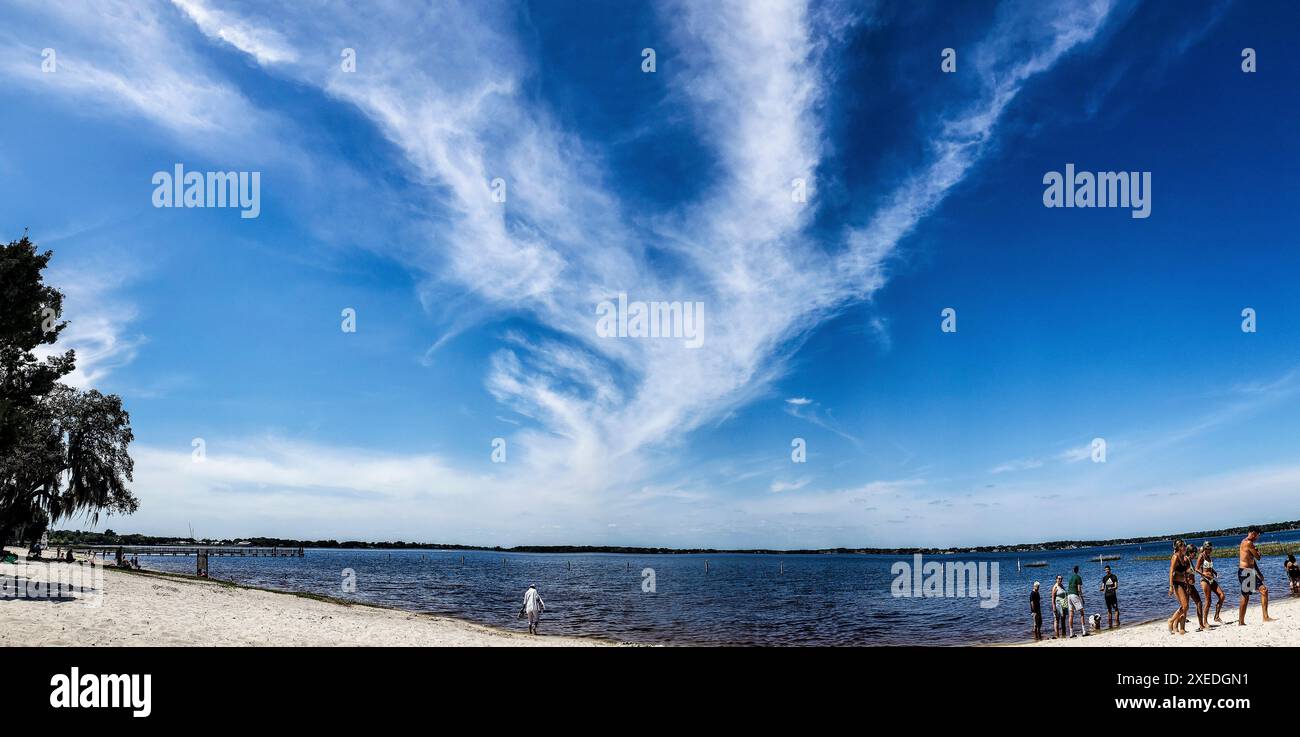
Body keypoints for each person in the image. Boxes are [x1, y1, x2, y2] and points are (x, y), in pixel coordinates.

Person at [1237, 526, 1274, 625]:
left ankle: (1241, 621)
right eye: (1258, 535)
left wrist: (1259, 572)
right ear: (1253, 533)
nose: (1258, 537)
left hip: (1245, 571)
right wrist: (1258, 551)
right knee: (1263, 590)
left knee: (1246, 596)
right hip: (1246, 572)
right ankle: (1265, 617)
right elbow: (1258, 557)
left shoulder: (1244, 541)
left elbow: (1252, 560)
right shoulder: (1249, 543)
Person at [1197, 542, 1225, 623]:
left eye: (1211, 549)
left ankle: (1216, 616)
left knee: (1222, 596)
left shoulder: (1209, 556)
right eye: (1209, 549)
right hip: (1205, 580)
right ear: (1205, 548)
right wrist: (1204, 574)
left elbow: (1210, 568)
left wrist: (1215, 573)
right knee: (1208, 601)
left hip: (1212, 579)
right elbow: (1196, 568)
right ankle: (1205, 622)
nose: (1210, 550)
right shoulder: (1201, 556)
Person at [1168, 539, 1191, 635]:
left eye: (1185, 546)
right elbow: (1171, 571)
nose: (1185, 548)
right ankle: (1171, 620)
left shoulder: (1184, 558)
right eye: (1184, 546)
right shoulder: (1175, 557)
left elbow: (1186, 573)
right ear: (1179, 548)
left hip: (1183, 583)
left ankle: (1175, 625)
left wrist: (1188, 585)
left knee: (1185, 606)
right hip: (1176, 583)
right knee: (1185, 606)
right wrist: (1170, 586)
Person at [1066, 565, 1086, 637]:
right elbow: (1078, 589)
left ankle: (1071, 633)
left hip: (1068, 596)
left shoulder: (1070, 578)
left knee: (1071, 615)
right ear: (1078, 570)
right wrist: (1082, 598)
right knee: (1082, 613)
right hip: (1074, 595)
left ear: (1073, 570)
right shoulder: (1078, 577)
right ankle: (1084, 631)